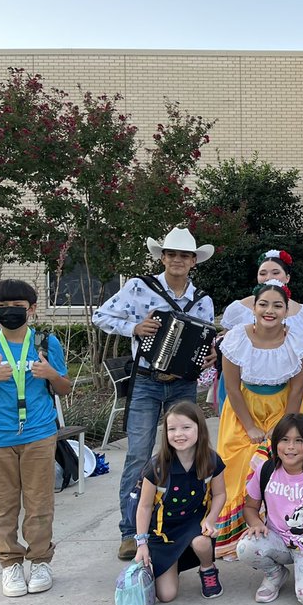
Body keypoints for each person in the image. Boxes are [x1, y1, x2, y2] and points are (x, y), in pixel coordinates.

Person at [92, 226, 216, 561]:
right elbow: (99, 316)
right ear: (162, 257)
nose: (177, 260)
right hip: (146, 379)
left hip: (183, 383)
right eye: (171, 254)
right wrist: (133, 328)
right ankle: (130, 532)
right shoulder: (138, 287)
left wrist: (209, 356)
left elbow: (204, 345)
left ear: (193, 261)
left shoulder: (202, 300)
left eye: (184, 256)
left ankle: (182, 525)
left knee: (187, 453)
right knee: (139, 454)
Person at [0, 280, 71, 597]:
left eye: (18, 308)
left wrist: (51, 374)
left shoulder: (47, 344)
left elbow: (64, 387)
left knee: (39, 503)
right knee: (2, 506)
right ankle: (10, 565)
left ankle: (39, 561)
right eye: (2, 308)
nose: (9, 313)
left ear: (32, 309)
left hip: (38, 434)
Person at [215, 281, 303, 558]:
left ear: (286, 310)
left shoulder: (296, 339)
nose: (270, 310)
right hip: (245, 408)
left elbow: (296, 388)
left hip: (286, 408)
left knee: (284, 460)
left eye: (277, 305)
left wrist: (283, 427)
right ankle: (238, 534)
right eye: (264, 304)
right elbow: (232, 388)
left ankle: (282, 528)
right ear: (254, 308)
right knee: (240, 465)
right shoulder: (236, 339)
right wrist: (250, 426)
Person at [238, 414, 303, 605]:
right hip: (276, 540)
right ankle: (275, 574)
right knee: (245, 547)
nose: (290, 447)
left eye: (299, 441)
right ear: (275, 442)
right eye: (284, 440)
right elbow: (250, 508)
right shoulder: (266, 470)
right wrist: (256, 523)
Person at [131, 402, 226, 602]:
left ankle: (207, 568)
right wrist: (141, 543)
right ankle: (171, 563)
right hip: (162, 529)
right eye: (171, 429)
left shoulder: (211, 460)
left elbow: (219, 494)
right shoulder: (157, 466)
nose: (178, 434)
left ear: (200, 428)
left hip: (193, 521)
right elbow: (145, 505)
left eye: (186, 427)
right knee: (166, 595)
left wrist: (210, 519)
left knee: (201, 542)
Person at [219, 249, 303, 339]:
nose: (269, 278)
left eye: (275, 273)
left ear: (287, 278)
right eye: (263, 273)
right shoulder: (239, 309)